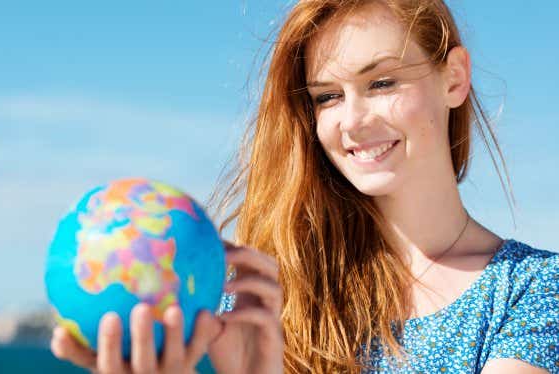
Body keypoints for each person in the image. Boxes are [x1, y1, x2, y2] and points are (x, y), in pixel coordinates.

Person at [50, 0, 559, 372]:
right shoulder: (284, 289)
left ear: (453, 78)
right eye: (327, 97)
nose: (353, 121)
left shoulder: (534, 291)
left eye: (381, 83)